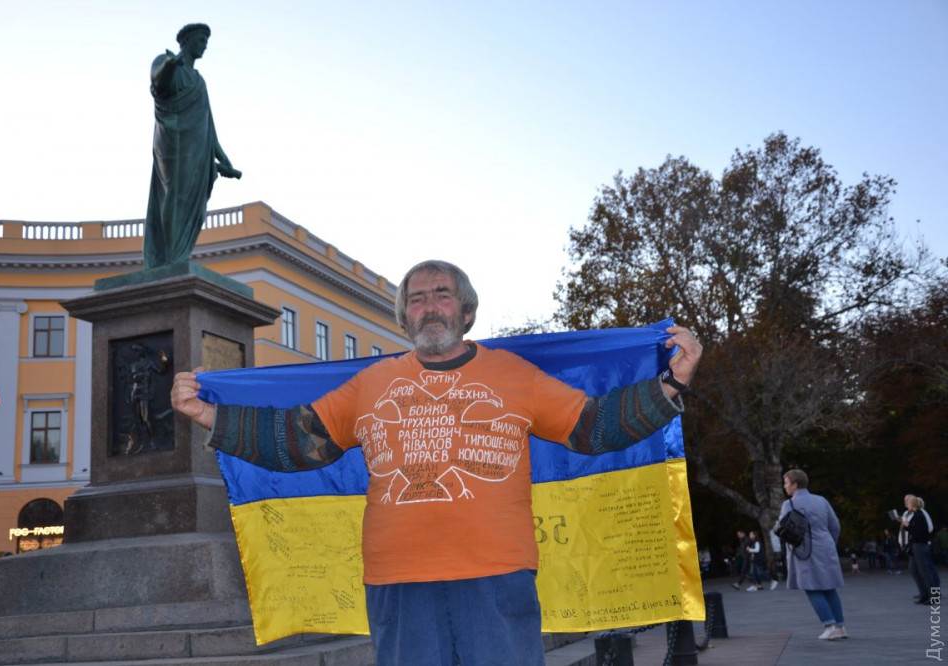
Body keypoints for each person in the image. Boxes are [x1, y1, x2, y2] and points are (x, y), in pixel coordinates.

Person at [171, 259, 703, 665]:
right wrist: (209, 416)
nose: (429, 307)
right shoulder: (371, 384)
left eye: (441, 295)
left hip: (497, 577)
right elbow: (298, 440)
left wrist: (671, 384)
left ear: (466, 312)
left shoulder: (513, 375)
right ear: (404, 317)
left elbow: (593, 426)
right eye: (417, 299)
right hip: (398, 583)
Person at [144, 23, 241, 269]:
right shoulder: (166, 62)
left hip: (198, 146)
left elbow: (208, 121)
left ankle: (180, 254)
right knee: (174, 194)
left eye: (206, 42)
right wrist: (170, 64)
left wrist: (221, 155)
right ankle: (171, 257)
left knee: (194, 203)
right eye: (201, 40)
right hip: (172, 143)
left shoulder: (199, 82)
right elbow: (158, 84)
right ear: (187, 41)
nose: (205, 46)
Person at [779, 469, 848, 641]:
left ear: (795, 484)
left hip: (804, 550)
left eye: (786, 483)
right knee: (829, 587)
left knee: (811, 587)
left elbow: (781, 529)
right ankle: (840, 626)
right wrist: (830, 542)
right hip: (825, 546)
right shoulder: (821, 500)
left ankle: (829, 626)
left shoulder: (789, 504)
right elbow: (835, 525)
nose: (784, 486)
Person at [900, 494, 941, 604]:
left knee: (926, 571)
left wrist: (908, 526)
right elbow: (914, 529)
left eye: (908, 502)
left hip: (920, 546)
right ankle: (925, 594)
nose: (906, 504)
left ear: (913, 504)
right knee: (913, 569)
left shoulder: (919, 516)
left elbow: (920, 533)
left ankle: (934, 597)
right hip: (916, 546)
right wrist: (907, 525)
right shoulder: (916, 515)